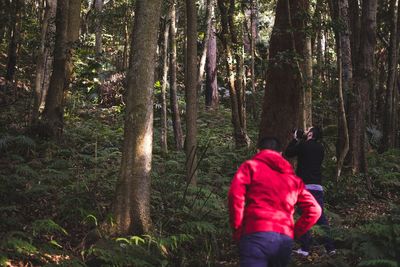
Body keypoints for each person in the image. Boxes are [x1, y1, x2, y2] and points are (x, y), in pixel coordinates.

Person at [228, 137, 322, 267]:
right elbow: (315, 210)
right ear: (281, 153)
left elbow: (235, 195)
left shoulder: (250, 167)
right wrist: (294, 232)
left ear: (258, 151)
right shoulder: (293, 179)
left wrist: (238, 229)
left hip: (255, 234)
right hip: (284, 240)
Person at [284, 126, 336, 256]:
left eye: (308, 129)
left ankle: (305, 248)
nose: (306, 130)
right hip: (317, 187)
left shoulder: (303, 145)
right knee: (321, 217)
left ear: (311, 134)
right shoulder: (320, 148)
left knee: (304, 216)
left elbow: (288, 153)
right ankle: (331, 248)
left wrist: (295, 139)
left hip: (305, 187)